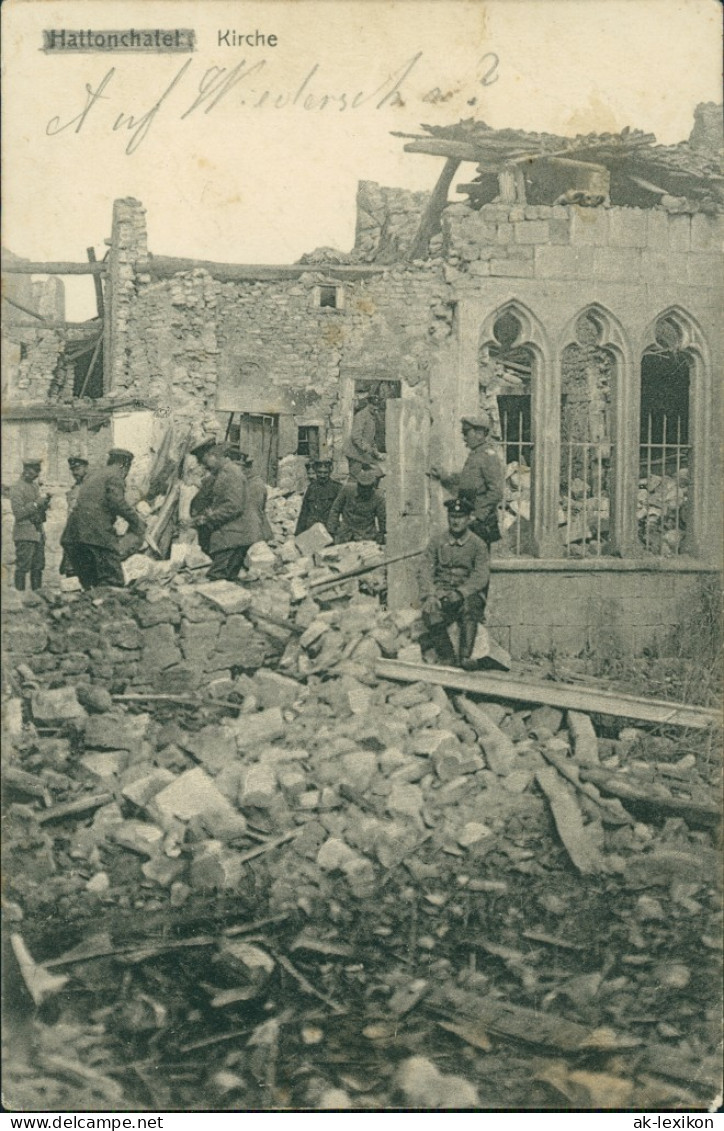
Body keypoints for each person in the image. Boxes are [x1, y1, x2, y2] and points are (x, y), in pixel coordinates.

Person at [417, 496, 490, 669]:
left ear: (468, 518)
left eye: (460, 517)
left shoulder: (477, 544)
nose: (456, 521)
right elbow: (425, 569)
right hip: (442, 593)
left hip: (467, 594)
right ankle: (447, 656)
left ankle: (465, 657)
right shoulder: (437, 541)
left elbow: (481, 575)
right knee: (430, 612)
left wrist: (462, 592)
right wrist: (430, 594)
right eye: (452, 517)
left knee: (469, 610)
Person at [66, 448, 146, 589]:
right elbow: (118, 503)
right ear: (124, 465)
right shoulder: (115, 475)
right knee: (113, 581)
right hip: (95, 533)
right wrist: (136, 521)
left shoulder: (95, 476)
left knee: (91, 584)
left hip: (73, 535)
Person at [430, 413, 504, 548]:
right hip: (470, 518)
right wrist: (444, 476)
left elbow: (496, 492)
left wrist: (477, 515)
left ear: (479, 434)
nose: (464, 438)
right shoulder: (475, 454)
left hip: (481, 522)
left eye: (466, 433)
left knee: (478, 561)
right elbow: (466, 481)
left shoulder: (488, 456)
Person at [189, 443, 250, 581]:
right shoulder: (223, 473)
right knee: (227, 579)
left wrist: (209, 517)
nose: (204, 466)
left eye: (204, 461)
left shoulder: (230, 473)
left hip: (231, 536)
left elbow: (233, 505)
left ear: (213, 456)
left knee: (216, 576)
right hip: (231, 535)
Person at [10, 459, 50, 590]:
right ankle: (20, 598)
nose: (37, 474)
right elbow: (19, 513)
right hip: (25, 534)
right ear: (26, 470)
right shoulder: (17, 487)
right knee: (22, 567)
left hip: (38, 533)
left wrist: (45, 503)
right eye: (35, 470)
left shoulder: (34, 486)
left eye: (39, 470)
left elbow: (39, 512)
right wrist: (36, 503)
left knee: (38, 567)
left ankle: (37, 597)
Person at [327, 463, 386, 544]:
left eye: (367, 488)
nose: (364, 491)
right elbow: (335, 509)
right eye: (361, 487)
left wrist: (382, 535)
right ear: (358, 484)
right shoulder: (347, 490)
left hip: (366, 537)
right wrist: (332, 530)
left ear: (372, 486)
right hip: (345, 535)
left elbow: (382, 519)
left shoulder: (378, 498)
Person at [295, 458, 343, 535]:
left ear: (330, 472)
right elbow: (304, 512)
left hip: (329, 529)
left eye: (325, 472)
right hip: (312, 528)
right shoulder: (311, 487)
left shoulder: (337, 488)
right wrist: (298, 533)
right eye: (320, 472)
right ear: (316, 472)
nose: (322, 475)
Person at [59, 456, 89, 577]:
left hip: (86, 535)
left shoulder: (90, 486)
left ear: (86, 468)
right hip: (73, 535)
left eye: (77, 469)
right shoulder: (74, 488)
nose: (74, 472)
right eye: (72, 470)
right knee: (71, 570)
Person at [237, 451, 273, 545]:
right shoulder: (247, 482)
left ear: (245, 468)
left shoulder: (254, 485)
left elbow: (254, 516)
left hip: (256, 537)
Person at [344, 394, 383, 480]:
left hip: (363, 453)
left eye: (377, 407)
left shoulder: (372, 416)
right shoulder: (361, 415)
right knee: (356, 478)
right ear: (369, 404)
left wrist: (376, 452)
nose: (376, 409)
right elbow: (356, 436)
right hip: (355, 453)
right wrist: (366, 448)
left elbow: (370, 438)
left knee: (378, 473)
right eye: (373, 406)